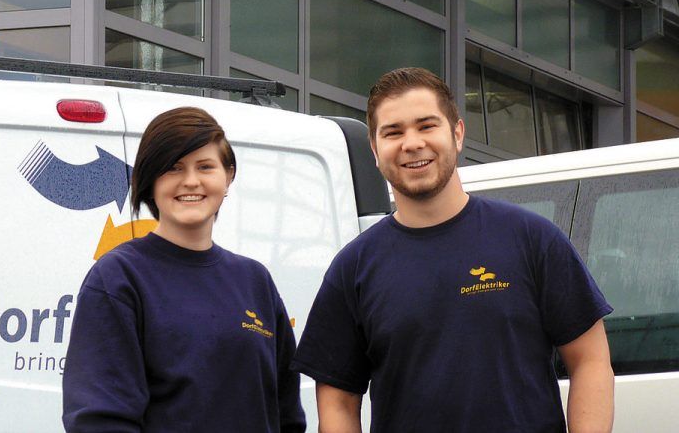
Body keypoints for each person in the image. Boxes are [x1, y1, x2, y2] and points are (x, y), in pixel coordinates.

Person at [291, 68, 614, 432]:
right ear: (374, 149)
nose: (411, 143)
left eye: (426, 126)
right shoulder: (353, 268)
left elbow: (590, 360)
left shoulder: (531, 238)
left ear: (457, 133)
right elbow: (336, 402)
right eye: (393, 132)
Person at [63, 107, 305, 432]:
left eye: (205, 166)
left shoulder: (254, 280)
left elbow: (286, 413)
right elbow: (99, 420)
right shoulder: (120, 277)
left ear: (228, 176)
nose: (190, 181)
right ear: (149, 180)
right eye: (173, 168)